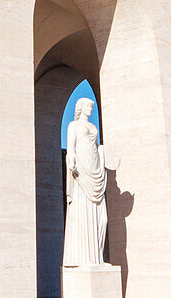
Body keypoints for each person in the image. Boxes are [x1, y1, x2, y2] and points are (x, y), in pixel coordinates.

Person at [63, 97, 108, 267]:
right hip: (81, 170)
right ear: (80, 108)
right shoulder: (73, 126)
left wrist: (105, 155)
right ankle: (86, 259)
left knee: (102, 220)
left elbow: (96, 147)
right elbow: (71, 148)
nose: (90, 109)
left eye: (91, 106)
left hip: (94, 169)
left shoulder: (93, 127)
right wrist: (71, 160)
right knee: (83, 213)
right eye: (87, 106)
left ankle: (98, 257)